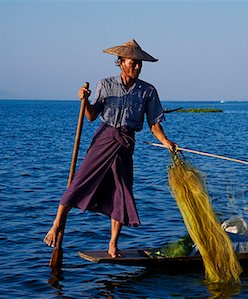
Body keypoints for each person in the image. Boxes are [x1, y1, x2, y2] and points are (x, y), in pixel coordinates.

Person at [44, 39, 177, 258]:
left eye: (139, 64)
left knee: (121, 193)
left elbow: (154, 123)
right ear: (121, 62)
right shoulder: (105, 85)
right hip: (104, 139)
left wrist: (165, 141)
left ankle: (113, 244)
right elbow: (91, 116)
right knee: (80, 181)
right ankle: (56, 224)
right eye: (133, 62)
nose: (137, 67)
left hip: (125, 144)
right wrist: (85, 101)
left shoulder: (147, 91)